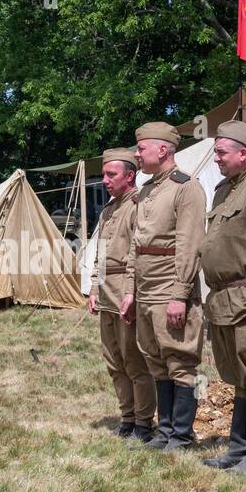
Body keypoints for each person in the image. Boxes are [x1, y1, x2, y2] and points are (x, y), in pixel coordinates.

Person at [119, 121, 205, 451]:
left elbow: (190, 244)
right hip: (146, 288)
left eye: (141, 149)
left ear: (163, 150)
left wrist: (180, 294)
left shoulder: (186, 188)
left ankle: (182, 435)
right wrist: (130, 290)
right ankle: (166, 431)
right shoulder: (146, 190)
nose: (137, 154)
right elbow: (135, 246)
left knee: (181, 361)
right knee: (156, 360)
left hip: (170, 285)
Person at [199, 120, 246, 472]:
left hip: (245, 296)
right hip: (221, 299)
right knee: (237, 375)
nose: (216, 158)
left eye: (221, 152)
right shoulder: (224, 190)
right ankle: (238, 447)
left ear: (243, 154)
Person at [89, 147, 155, 442]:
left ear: (130, 176)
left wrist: (130, 292)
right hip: (106, 294)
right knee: (114, 360)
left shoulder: (138, 206)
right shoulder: (107, 211)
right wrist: (93, 288)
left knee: (134, 361)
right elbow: (100, 257)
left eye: (110, 174)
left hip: (125, 293)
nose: (104, 180)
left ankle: (143, 421)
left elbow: (135, 255)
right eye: (104, 174)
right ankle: (127, 416)